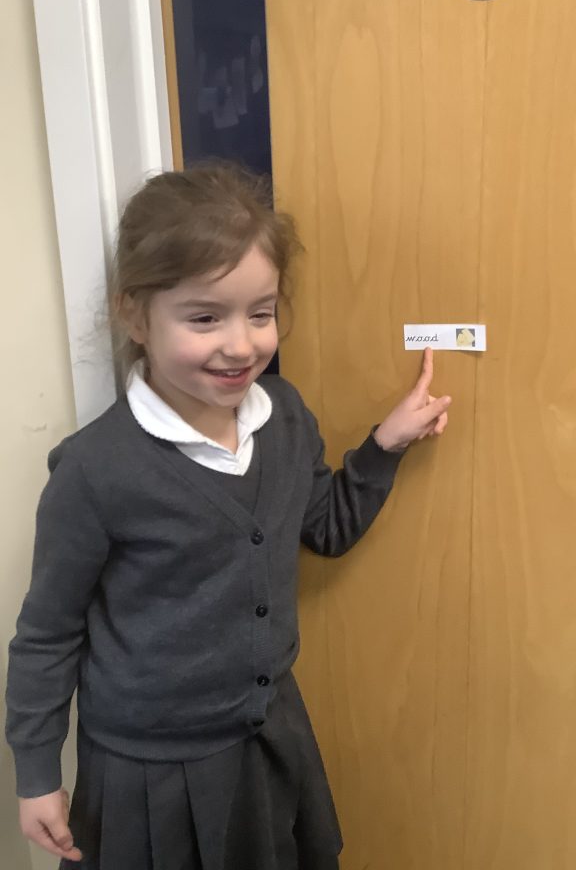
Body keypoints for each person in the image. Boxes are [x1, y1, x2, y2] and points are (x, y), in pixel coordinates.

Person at [5, 164, 451, 870]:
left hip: (268, 745)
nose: (241, 345)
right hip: (149, 773)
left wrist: (383, 447)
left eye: (261, 313)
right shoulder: (95, 469)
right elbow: (47, 636)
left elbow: (325, 526)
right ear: (135, 316)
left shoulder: (286, 418)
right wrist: (36, 773)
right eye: (205, 317)